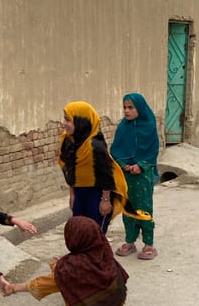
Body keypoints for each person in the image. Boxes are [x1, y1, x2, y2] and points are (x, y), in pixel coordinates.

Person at [3, 216, 128, 306]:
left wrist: (13, 288)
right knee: (62, 271)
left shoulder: (72, 267)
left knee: (63, 278)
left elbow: (43, 284)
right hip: (114, 301)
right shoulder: (101, 247)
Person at [58, 100, 151, 234]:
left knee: (96, 233)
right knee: (80, 231)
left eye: (68, 120)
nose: (64, 124)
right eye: (65, 119)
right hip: (79, 193)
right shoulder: (68, 141)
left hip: (97, 194)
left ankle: (98, 255)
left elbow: (106, 175)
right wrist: (72, 194)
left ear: (81, 122)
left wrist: (105, 200)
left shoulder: (95, 146)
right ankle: (82, 255)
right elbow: (70, 170)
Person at [110, 93, 160, 259]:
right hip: (126, 176)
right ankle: (130, 241)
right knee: (128, 208)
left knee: (144, 207)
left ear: (140, 108)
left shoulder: (150, 126)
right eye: (124, 107)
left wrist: (140, 166)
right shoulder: (123, 127)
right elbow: (115, 150)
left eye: (131, 107)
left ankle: (149, 244)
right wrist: (124, 165)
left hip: (143, 176)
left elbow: (152, 151)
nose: (126, 111)